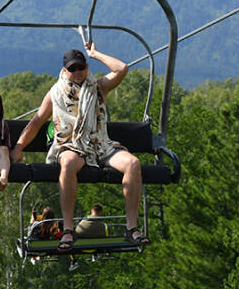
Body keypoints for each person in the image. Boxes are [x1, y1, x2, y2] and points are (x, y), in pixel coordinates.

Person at [11, 44, 151, 251]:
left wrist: (95, 54)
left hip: (99, 145)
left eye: (81, 67)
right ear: (65, 70)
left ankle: (131, 227)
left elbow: (121, 69)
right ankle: (68, 228)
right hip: (71, 145)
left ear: (86, 67)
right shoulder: (56, 93)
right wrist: (19, 146)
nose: (77, 73)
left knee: (133, 163)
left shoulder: (98, 87)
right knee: (67, 162)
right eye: (72, 69)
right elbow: (38, 120)